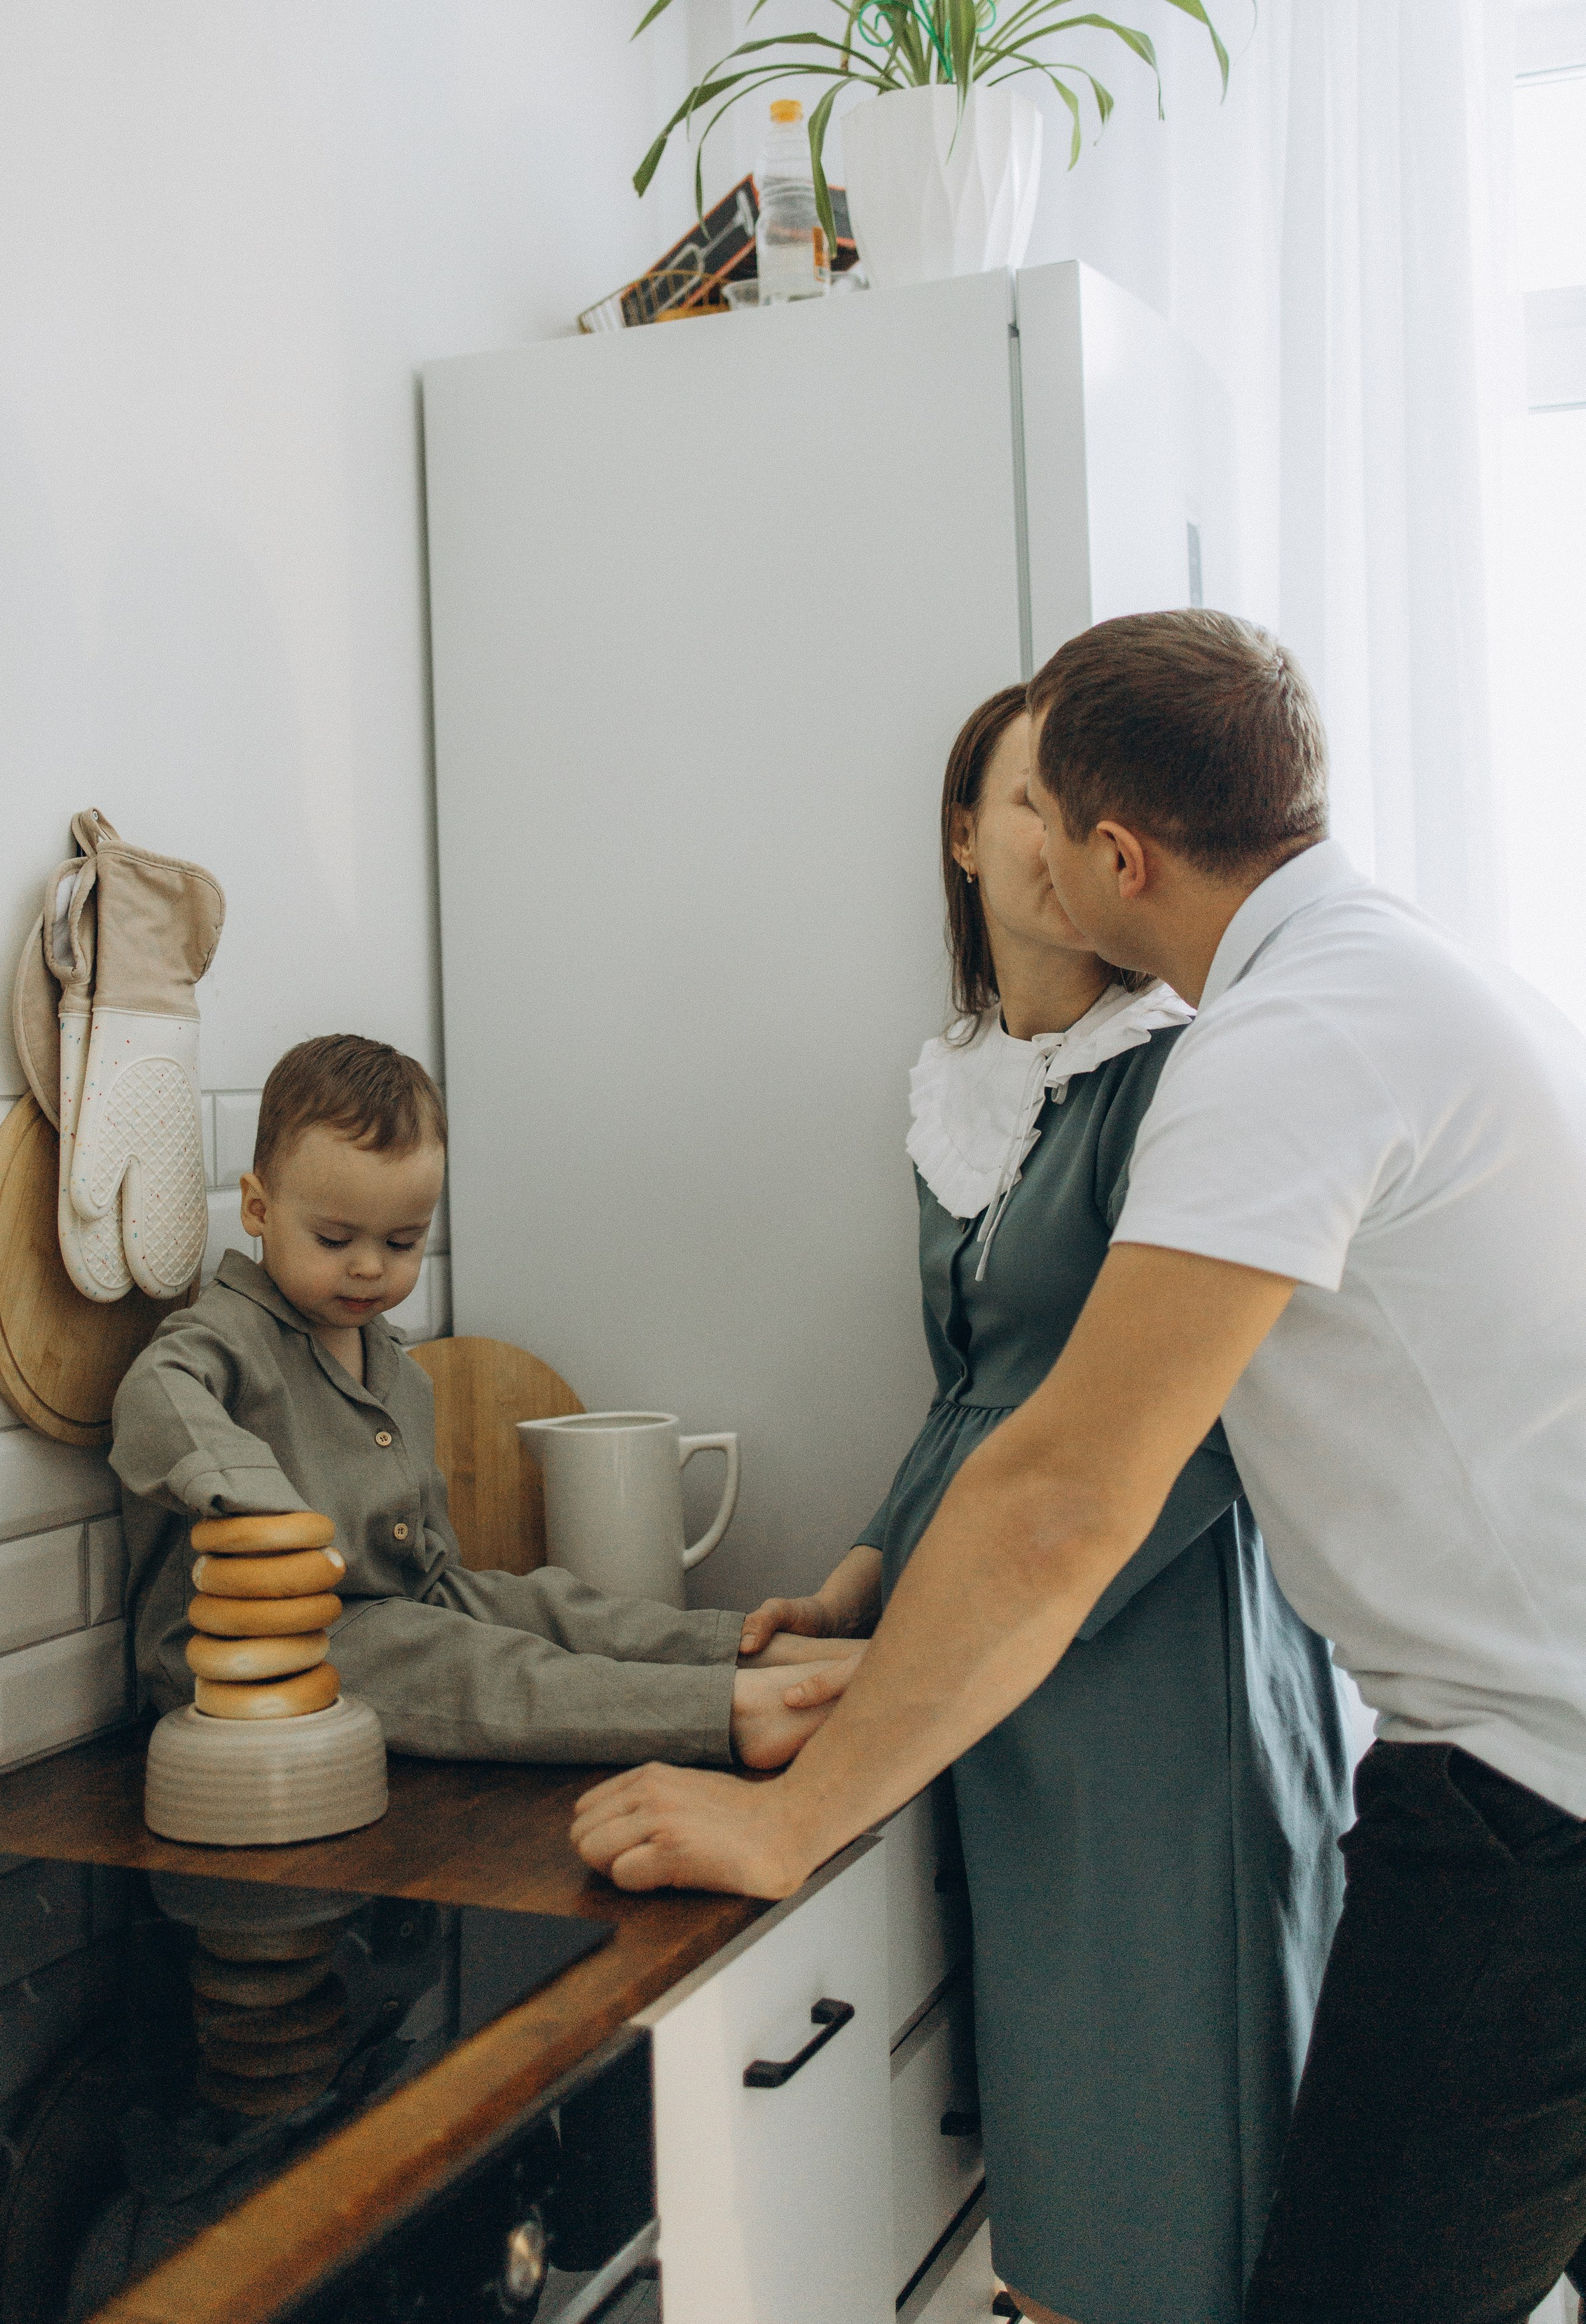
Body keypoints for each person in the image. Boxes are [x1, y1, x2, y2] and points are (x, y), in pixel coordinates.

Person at [572, 611, 1586, 2324]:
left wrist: (793, 1817)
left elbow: (1062, 1497)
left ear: (1116, 856)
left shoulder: (1269, 1054)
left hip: (1528, 1799)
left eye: (1047, 807)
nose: (1024, 842)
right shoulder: (1398, 974)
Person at [735, 685, 1350, 2324]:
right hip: (988, 1635)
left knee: (1171, 2113)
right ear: (958, 836)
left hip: (1155, 1638)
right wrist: (868, 1574)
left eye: (1070, 805)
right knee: (1060, 2136)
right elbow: (968, 1382)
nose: (1052, 834)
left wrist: (937, 1627)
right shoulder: (948, 1087)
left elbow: (1192, 1428)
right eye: (1019, 798)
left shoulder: (1181, 1071)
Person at [111, 1032, 832, 1769]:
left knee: (546, 1608)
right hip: (256, 1653)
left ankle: (769, 1653)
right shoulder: (223, 1338)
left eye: (401, 1242)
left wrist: (457, 1589)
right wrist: (262, 1510)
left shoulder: (391, 1361)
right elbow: (153, 1394)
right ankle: (733, 1710)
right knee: (485, 1668)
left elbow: (426, 1577)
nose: (368, 1268)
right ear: (259, 1209)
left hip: (399, 1610)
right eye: (333, 1239)